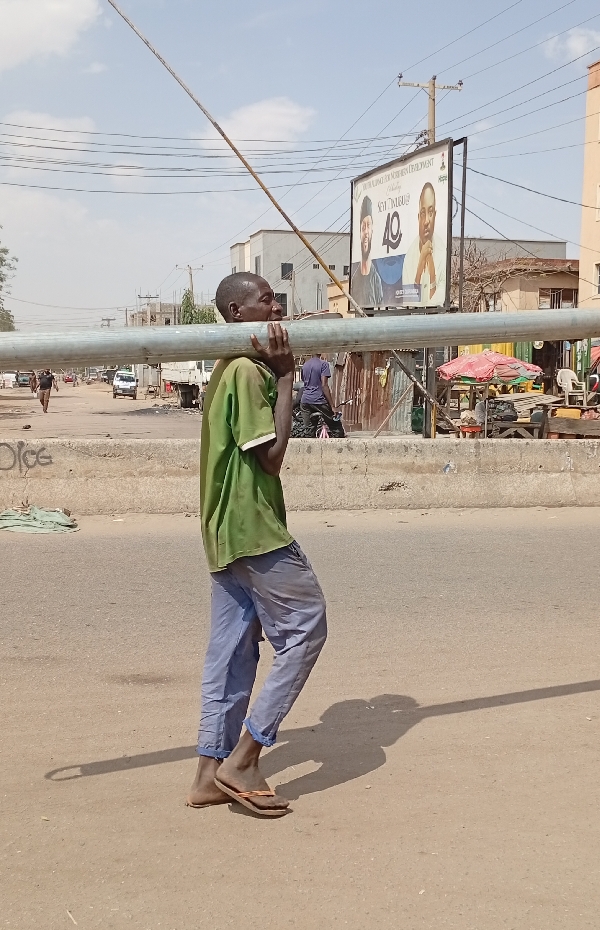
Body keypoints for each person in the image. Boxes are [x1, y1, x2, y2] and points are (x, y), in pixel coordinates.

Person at [186, 271, 327, 817]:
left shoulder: (228, 367)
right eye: (265, 301)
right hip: (253, 527)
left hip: (223, 530)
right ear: (237, 313)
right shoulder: (247, 371)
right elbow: (270, 458)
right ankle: (244, 757)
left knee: (232, 651)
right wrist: (287, 378)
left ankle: (207, 773)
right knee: (306, 626)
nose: (276, 308)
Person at [401, 182, 446, 306]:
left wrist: (431, 269)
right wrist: (420, 266)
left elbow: (437, 303)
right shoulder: (409, 257)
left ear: (435, 216)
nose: (426, 221)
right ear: (418, 218)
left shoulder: (443, 253)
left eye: (430, 213)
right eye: (423, 213)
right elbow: (409, 303)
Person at [351, 195, 384, 308]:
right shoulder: (354, 280)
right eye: (363, 227)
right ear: (359, 232)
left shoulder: (376, 280)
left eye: (368, 225)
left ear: (372, 230)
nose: (366, 232)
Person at [300, 354, 335, 433]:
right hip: (319, 400)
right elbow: (324, 385)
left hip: (305, 401)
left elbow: (304, 381)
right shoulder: (323, 364)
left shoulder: (305, 365)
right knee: (335, 427)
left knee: (308, 431)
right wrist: (332, 406)